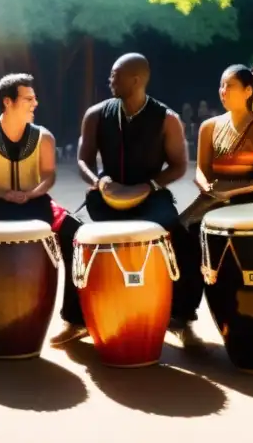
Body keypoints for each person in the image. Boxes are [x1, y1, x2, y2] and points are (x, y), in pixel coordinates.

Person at [55, 53, 204, 349]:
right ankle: (75, 319)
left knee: (183, 240)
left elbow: (178, 166)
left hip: (150, 196)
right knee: (74, 234)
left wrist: (149, 186)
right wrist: (99, 181)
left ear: (136, 80)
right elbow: (83, 160)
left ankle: (182, 319)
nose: (109, 80)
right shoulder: (96, 114)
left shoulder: (167, 119)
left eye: (115, 75)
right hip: (104, 196)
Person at [0, 73, 81, 320]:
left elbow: (48, 176)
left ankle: (74, 316)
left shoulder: (44, 137)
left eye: (34, 98)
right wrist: (4, 193)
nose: (35, 103)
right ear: (7, 102)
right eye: (28, 98)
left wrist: (32, 193)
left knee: (75, 232)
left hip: (36, 202)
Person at [180, 63, 253, 228]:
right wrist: (206, 187)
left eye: (230, 86)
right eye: (222, 86)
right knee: (180, 230)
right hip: (213, 200)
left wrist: (235, 192)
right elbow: (201, 169)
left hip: (249, 202)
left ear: (248, 91)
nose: (223, 91)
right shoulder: (208, 126)